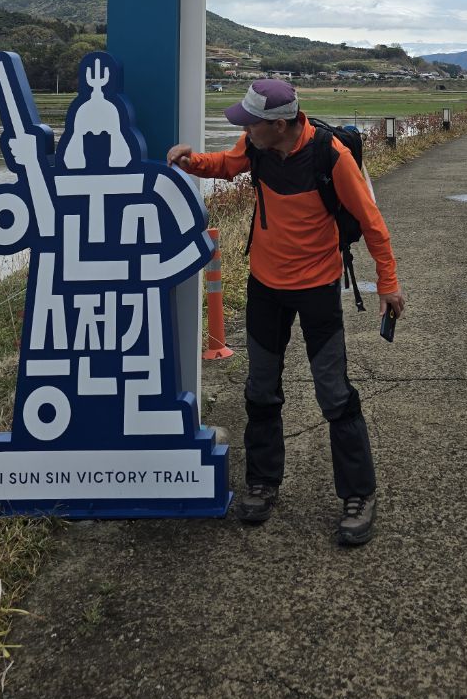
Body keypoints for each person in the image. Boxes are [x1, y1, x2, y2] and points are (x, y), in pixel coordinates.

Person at [167, 78, 404, 547]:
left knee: (334, 394)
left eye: (250, 123)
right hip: (265, 287)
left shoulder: (331, 156)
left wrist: (388, 283)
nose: (244, 130)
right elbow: (227, 165)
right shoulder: (256, 146)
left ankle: (359, 494)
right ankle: (262, 482)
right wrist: (192, 162)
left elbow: (372, 222)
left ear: (278, 125)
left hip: (317, 288)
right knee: (260, 389)